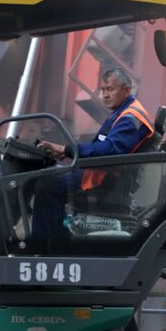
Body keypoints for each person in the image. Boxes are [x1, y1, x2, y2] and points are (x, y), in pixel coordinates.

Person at [32, 67, 155, 238]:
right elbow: (102, 146)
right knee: (47, 175)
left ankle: (46, 246)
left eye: (110, 89)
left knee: (45, 185)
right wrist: (69, 153)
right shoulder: (122, 113)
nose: (104, 95)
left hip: (104, 179)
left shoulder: (130, 118)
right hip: (101, 173)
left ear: (126, 90)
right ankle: (55, 239)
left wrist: (68, 150)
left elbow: (110, 150)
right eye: (103, 90)